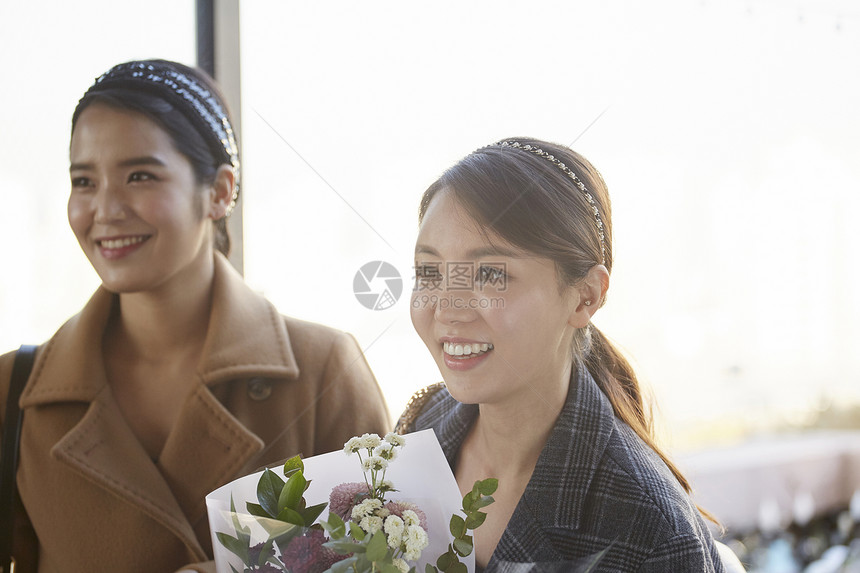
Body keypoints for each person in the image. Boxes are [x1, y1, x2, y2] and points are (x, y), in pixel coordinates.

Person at [0, 59, 390, 573]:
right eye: (84, 180)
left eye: (140, 175)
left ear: (221, 191)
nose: (106, 209)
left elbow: (393, 557)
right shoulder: (15, 391)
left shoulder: (323, 369)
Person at [397, 138, 731, 572]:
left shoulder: (652, 534)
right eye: (429, 272)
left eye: (491, 275)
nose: (447, 309)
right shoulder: (422, 425)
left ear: (584, 297)